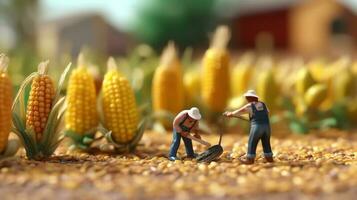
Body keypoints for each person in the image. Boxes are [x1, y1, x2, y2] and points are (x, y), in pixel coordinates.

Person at [223, 90, 274, 164]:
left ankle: (250, 159)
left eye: (247, 98)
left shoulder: (250, 105)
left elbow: (239, 111)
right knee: (266, 142)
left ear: (249, 98)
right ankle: (269, 158)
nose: (246, 99)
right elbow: (267, 112)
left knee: (252, 142)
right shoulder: (263, 104)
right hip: (267, 127)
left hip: (257, 127)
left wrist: (230, 114)